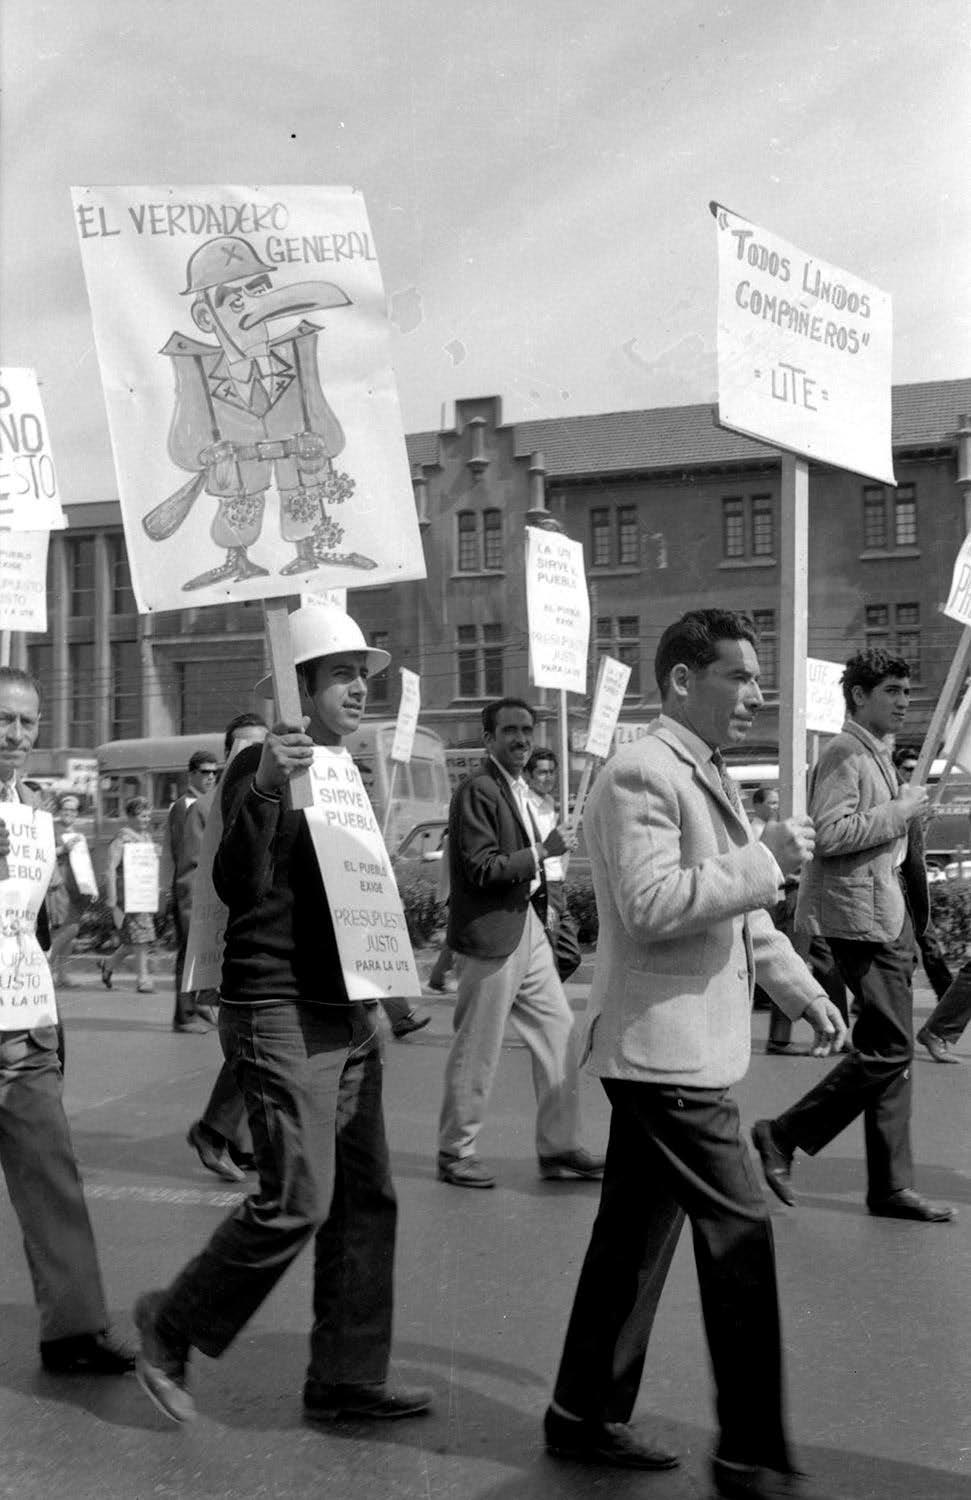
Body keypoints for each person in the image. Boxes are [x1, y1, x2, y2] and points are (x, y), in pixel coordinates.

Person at [545, 610, 847, 1500]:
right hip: (663, 1056)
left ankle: (580, 1412)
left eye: (755, 678)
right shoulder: (641, 771)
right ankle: (750, 1456)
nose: (755, 694)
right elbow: (649, 905)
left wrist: (800, 990)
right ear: (682, 680)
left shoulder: (700, 770)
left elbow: (740, 916)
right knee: (739, 1233)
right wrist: (764, 860)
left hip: (678, 1050)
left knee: (631, 1243)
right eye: (738, 676)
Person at [133, 604, 432, 1425]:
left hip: (346, 1012)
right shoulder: (256, 765)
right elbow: (235, 880)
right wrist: (265, 785)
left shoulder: (343, 770)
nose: (358, 689)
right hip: (279, 1010)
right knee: (298, 1199)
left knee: (365, 1200)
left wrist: (385, 994)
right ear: (299, 688)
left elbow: (353, 899)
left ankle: (346, 1376)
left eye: (362, 675)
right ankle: (171, 1322)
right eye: (340, 675)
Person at [753, 649, 955, 1224]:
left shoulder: (876, 752)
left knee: (892, 1051)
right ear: (860, 696)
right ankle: (783, 1133)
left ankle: (891, 1185)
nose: (904, 700)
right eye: (892, 690)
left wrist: (905, 820)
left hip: (888, 915)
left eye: (906, 690)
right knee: (890, 1049)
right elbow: (831, 833)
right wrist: (898, 812)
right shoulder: (845, 752)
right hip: (860, 921)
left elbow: (880, 833)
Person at [0, 667, 134, 1377]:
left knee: (52, 1173)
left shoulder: (35, 809)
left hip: (23, 1023)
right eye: (3, 719)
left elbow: (49, 918)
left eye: (27, 721)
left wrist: (70, 883)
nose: (16, 734)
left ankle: (74, 1329)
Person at [436, 697, 605, 1189]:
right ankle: (455, 1150)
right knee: (477, 1046)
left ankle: (559, 1146)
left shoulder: (517, 789)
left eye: (527, 730)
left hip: (526, 925)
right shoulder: (479, 790)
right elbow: (481, 867)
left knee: (559, 1032)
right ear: (489, 739)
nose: (521, 739)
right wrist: (542, 851)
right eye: (510, 730)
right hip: (492, 932)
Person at [186, 713, 268, 1183]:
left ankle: (235, 1137)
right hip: (235, 937)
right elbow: (199, 878)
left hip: (270, 937)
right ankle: (218, 1131)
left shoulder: (278, 792)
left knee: (259, 1042)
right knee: (254, 1041)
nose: (254, 756)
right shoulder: (208, 806)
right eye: (243, 748)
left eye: (262, 746)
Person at [891, 745, 966, 1061]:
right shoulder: (893, 795)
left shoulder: (914, 797)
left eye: (915, 767)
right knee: (907, 954)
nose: (912, 773)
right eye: (907, 768)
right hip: (895, 888)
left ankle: (938, 1022)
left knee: (926, 949)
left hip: (912, 888)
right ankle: (935, 1027)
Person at [160, 747, 221, 1033]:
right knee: (188, 952)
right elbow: (182, 853)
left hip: (203, 888)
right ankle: (183, 1016)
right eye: (205, 772)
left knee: (201, 950)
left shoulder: (208, 803)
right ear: (191, 775)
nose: (210, 777)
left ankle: (199, 1004)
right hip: (189, 888)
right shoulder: (184, 806)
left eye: (214, 772)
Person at [100, 796, 158, 995]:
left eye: (148, 816)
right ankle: (143, 979)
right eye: (142, 816)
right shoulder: (122, 839)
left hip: (144, 895)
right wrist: (112, 898)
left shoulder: (147, 837)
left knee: (133, 939)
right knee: (141, 936)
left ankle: (108, 965)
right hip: (128, 896)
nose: (146, 819)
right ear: (131, 817)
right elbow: (110, 868)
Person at [46, 793, 94, 987]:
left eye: (73, 810)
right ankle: (47, 969)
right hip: (59, 885)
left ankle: (63, 974)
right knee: (65, 929)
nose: (69, 813)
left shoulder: (78, 833)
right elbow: (43, 852)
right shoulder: (50, 828)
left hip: (76, 886)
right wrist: (62, 849)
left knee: (71, 931)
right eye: (65, 809)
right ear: (59, 811)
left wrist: (90, 886)